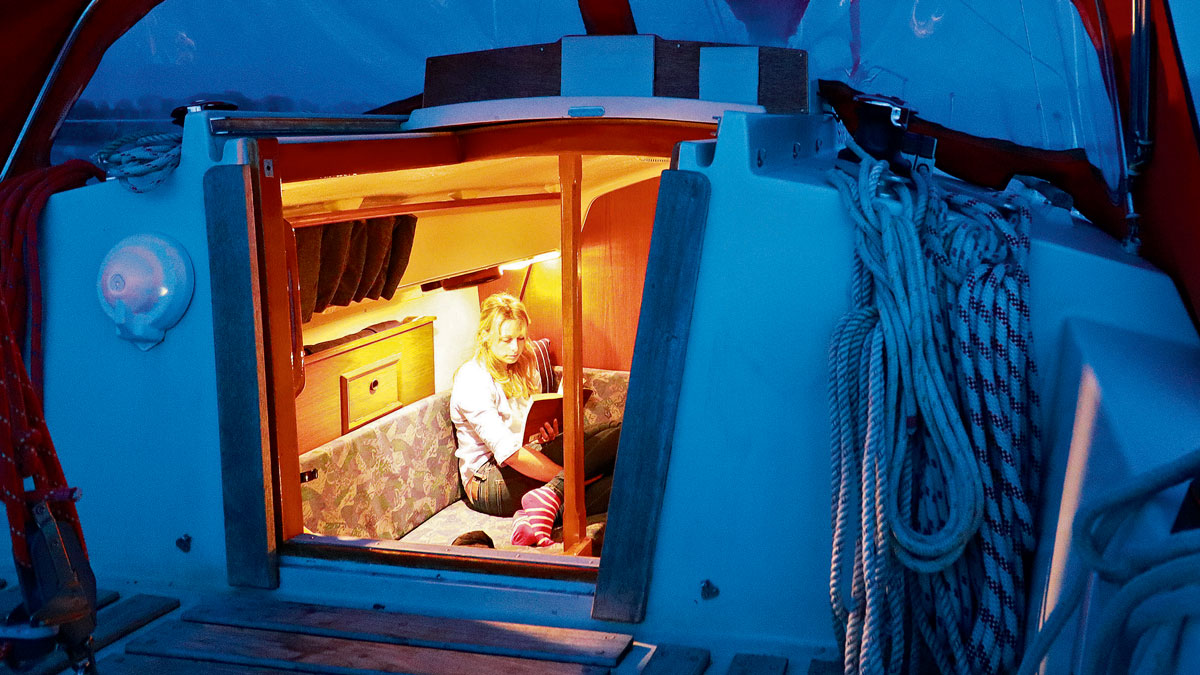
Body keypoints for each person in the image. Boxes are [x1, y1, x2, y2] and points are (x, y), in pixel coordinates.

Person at [450, 293, 620, 547]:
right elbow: (508, 453)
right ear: (485, 336)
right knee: (598, 473)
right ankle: (552, 495)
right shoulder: (472, 379)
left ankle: (537, 514)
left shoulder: (522, 365)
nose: (515, 348)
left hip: (526, 454)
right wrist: (569, 479)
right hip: (488, 478)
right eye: (506, 340)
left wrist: (546, 432)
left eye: (520, 338)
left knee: (620, 440)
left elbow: (526, 431)